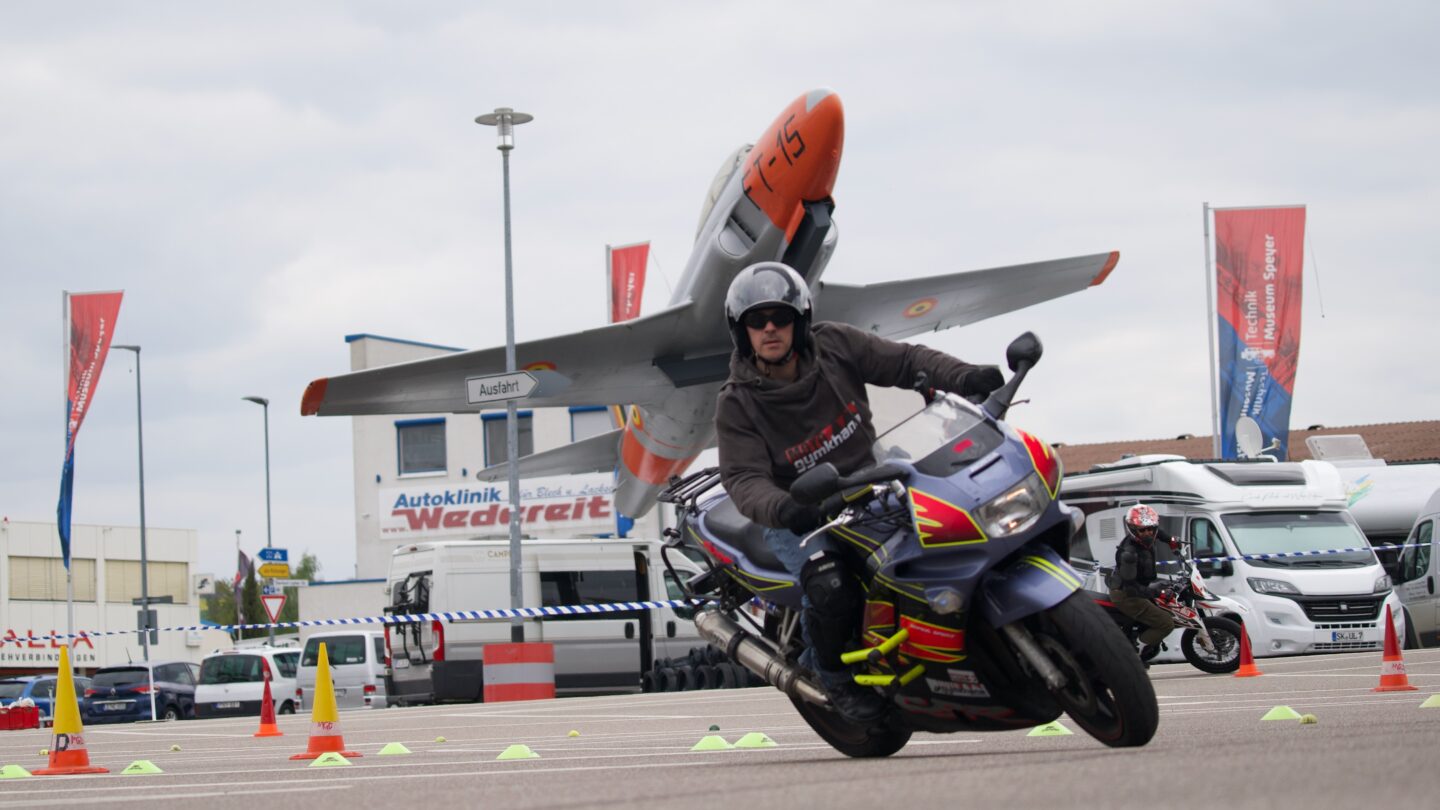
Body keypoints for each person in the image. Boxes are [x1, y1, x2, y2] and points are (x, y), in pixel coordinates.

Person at [713, 261, 1004, 723]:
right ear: (741, 331)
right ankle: (831, 674)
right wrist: (786, 508)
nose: (770, 328)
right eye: (756, 320)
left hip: (870, 481)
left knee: (952, 524)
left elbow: (906, 361)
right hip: (802, 512)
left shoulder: (836, 346)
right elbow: (744, 480)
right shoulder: (737, 401)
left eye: (780, 317)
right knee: (830, 585)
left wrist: (964, 377)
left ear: (800, 320)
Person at [1107, 503, 1182, 662]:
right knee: (1166, 623)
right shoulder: (1129, 554)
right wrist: (1158, 592)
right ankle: (1135, 654)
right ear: (1133, 530)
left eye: (1151, 529)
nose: (1148, 533)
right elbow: (1131, 588)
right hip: (1126, 595)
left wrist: (1170, 540)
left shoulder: (1146, 539)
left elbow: (1158, 533)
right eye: (1143, 530)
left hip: (1139, 587)